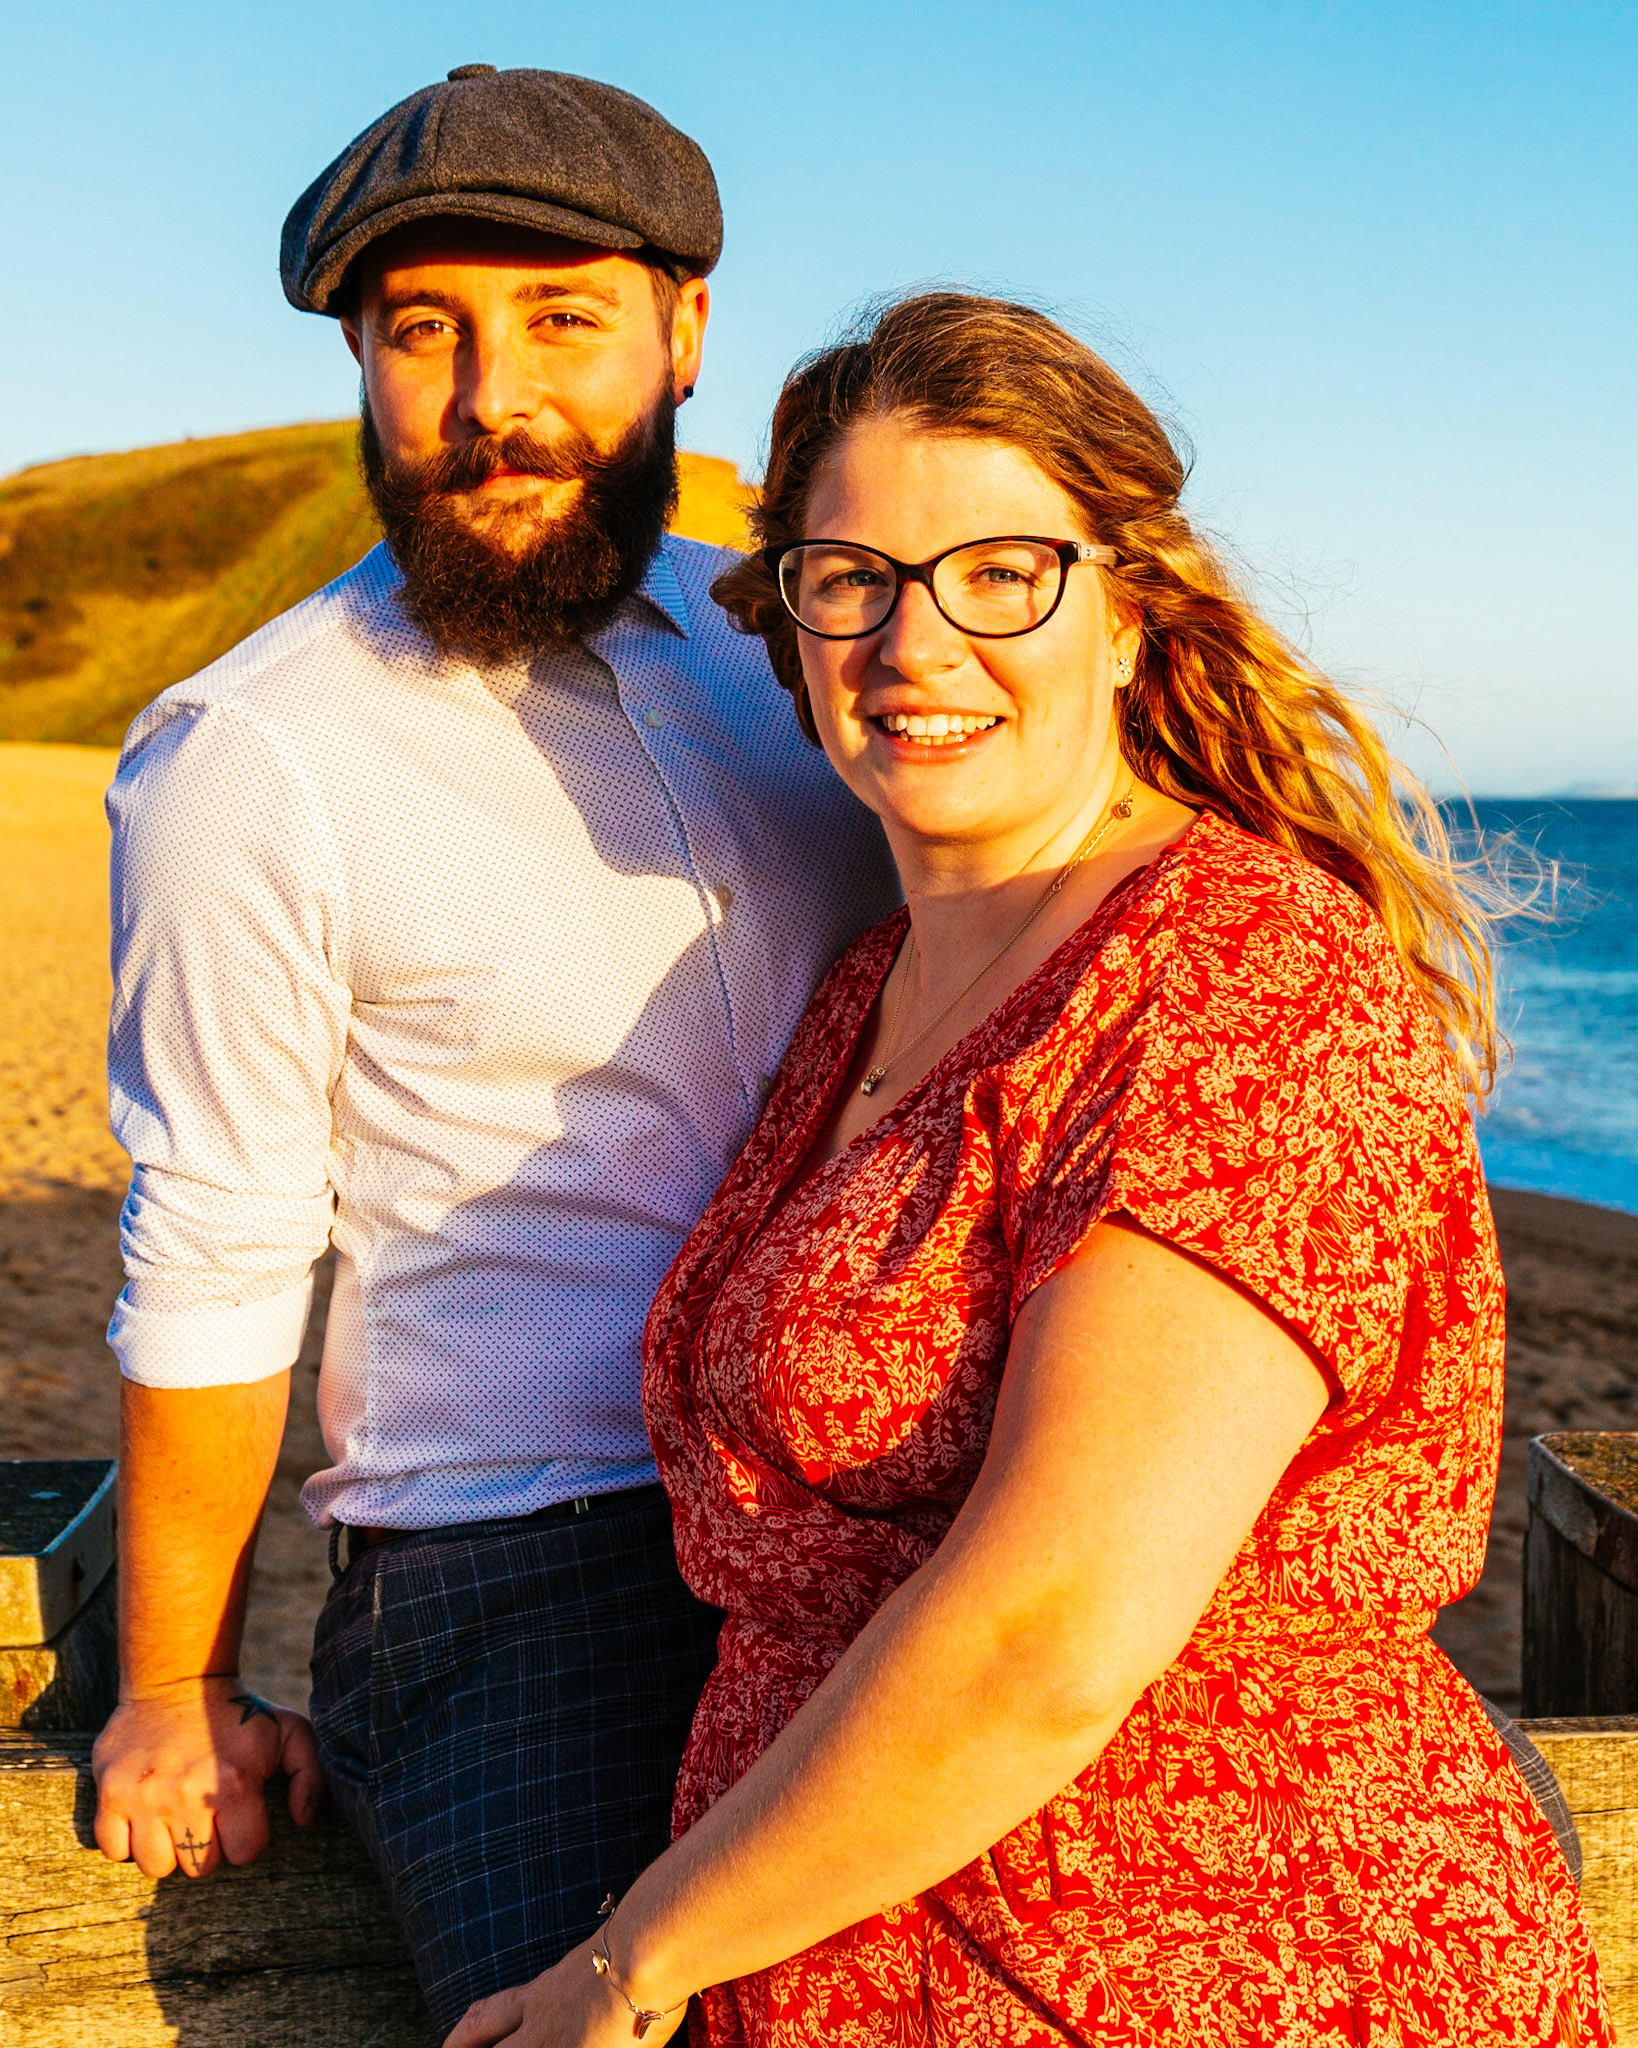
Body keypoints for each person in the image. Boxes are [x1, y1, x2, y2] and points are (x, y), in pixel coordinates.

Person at [449, 293, 1610, 2047]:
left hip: (1214, 1969)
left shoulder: (1236, 977)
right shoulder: (869, 986)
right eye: (851, 577)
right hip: (866, 1955)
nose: (916, 644)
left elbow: (1050, 1629)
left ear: (1129, 613)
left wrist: (625, 1969)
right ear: (790, 628)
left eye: (1001, 572)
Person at [88, 65, 895, 2035]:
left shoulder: (802, 668)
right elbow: (213, 1241)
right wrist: (175, 1681)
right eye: (422, 330)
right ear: (359, 358)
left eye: (560, 321)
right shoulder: (255, 758)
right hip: (524, 1569)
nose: (490, 397)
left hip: (861, 1502)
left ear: (686, 331)